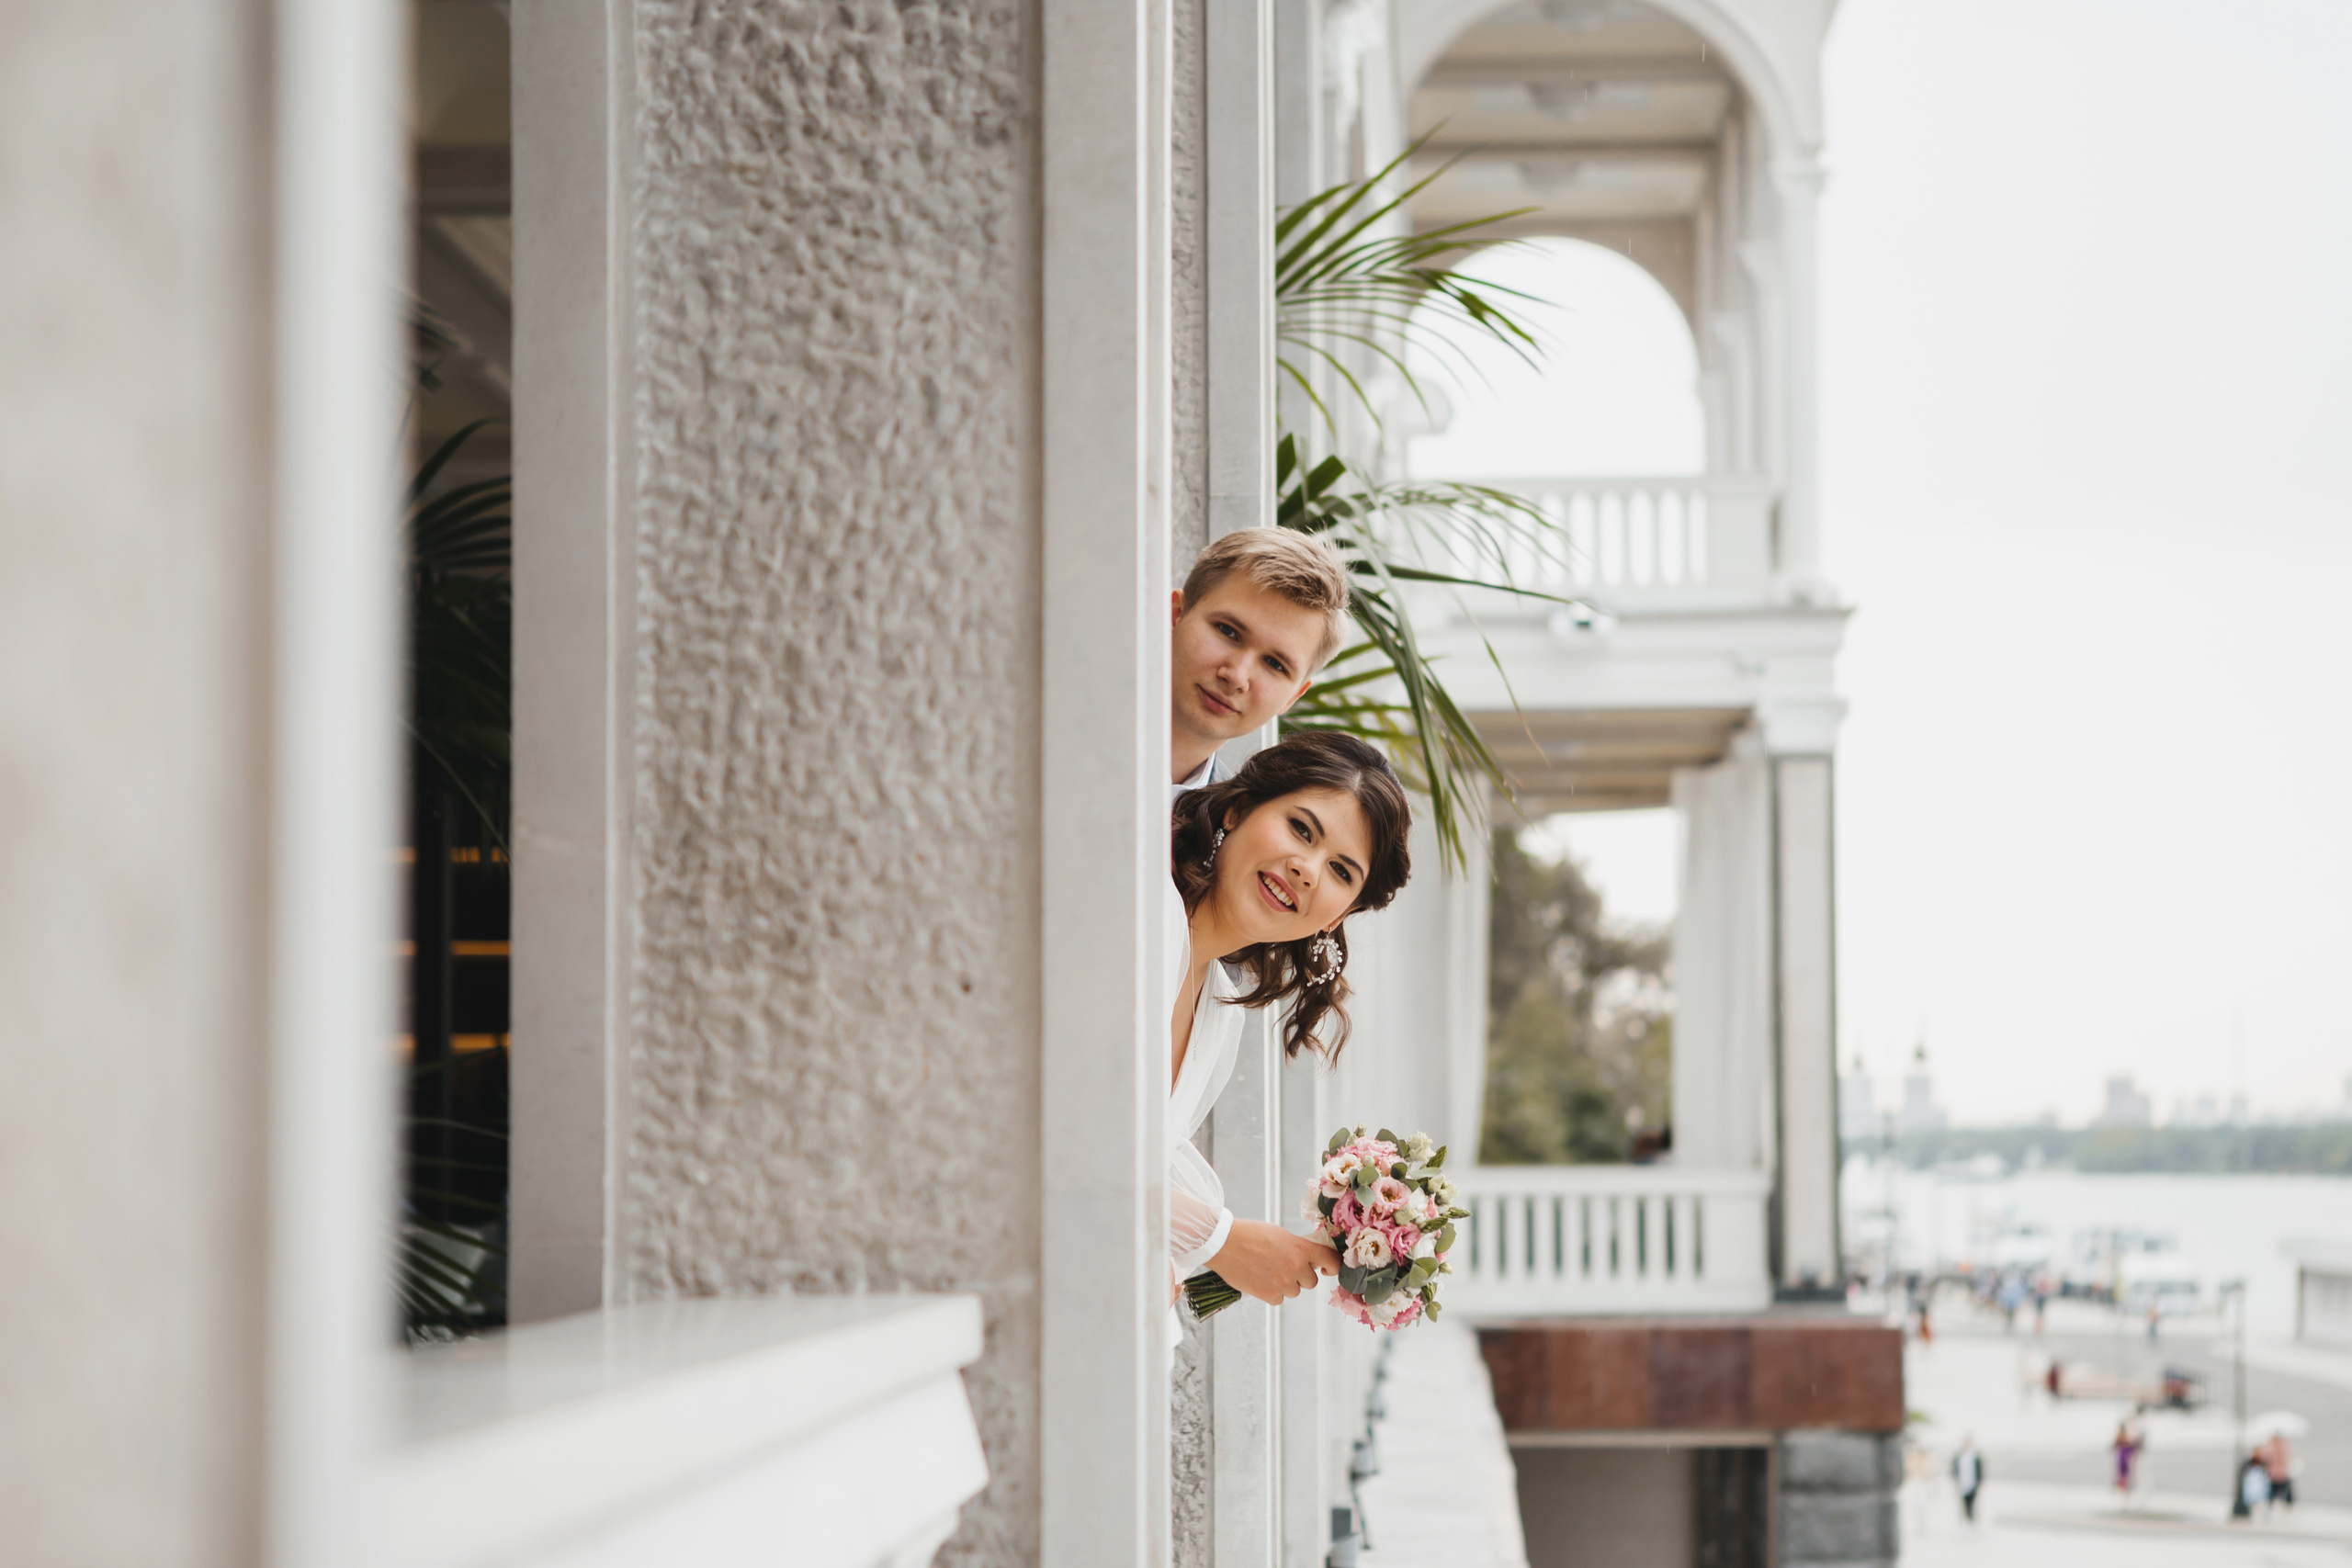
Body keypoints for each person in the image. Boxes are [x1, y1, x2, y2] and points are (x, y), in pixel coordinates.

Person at [1162, 731, 1414, 1314]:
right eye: (1302, 829)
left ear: (1340, 915)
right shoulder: (1146, 924)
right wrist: (1219, 1240)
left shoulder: (1217, 1019)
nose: (1307, 869)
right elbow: (1062, 1140)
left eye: (1341, 871)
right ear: (1237, 808)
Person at [1167, 529, 1352, 796]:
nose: (1236, 676)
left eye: (1275, 664)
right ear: (1175, 616)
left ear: (1293, 697)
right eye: (1227, 631)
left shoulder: (1233, 830)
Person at [1951, 1436, 1984, 1523]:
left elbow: (1979, 1469)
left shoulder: (1975, 1456)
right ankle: (1965, 1519)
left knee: (1972, 1502)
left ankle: (1971, 1519)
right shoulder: (1959, 1456)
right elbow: (1954, 1469)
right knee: (1963, 1502)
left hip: (1973, 1482)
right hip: (1962, 1482)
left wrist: (1979, 1482)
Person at [2260, 1433, 2296, 1511]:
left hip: (2275, 1474)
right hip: (2280, 1474)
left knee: (2274, 1491)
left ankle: (2273, 1506)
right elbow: (2288, 1459)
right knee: (2279, 1491)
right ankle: (2285, 1505)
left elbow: (2264, 1458)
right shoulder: (2283, 1447)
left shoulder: (2270, 1448)